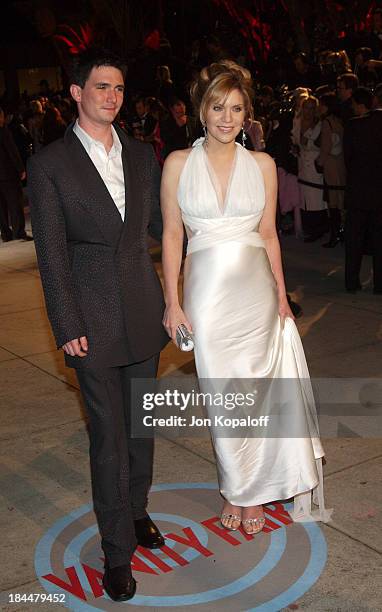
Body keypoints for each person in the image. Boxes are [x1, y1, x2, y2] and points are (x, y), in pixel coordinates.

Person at [161, 60, 331, 536]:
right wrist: (172, 302)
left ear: (246, 114)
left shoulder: (262, 165)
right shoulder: (177, 164)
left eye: (236, 108)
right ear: (202, 110)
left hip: (255, 292)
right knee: (223, 398)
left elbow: (269, 236)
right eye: (218, 106)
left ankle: (249, 493)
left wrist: (281, 296)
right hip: (206, 297)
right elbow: (173, 236)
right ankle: (236, 483)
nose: (226, 117)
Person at [27, 48, 169, 602]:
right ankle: (116, 554)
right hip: (90, 321)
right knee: (108, 439)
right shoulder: (49, 165)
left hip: (143, 313)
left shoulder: (140, 154)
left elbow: (163, 228)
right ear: (75, 93)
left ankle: (136, 513)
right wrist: (65, 321)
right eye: (101, 87)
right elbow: (52, 254)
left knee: (140, 427)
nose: (112, 97)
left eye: (118, 89)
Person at [343, 86, 382, 293]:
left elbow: (347, 158)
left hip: (358, 191)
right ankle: (380, 284)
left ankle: (351, 281)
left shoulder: (353, 126)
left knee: (354, 239)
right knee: (380, 240)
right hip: (379, 193)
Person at [294, 96, 328, 242]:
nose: (308, 111)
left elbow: (322, 145)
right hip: (302, 163)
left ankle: (318, 229)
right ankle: (308, 227)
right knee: (304, 198)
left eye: (312, 108)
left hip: (314, 165)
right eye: (306, 108)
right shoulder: (297, 122)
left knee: (316, 199)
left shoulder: (320, 125)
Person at [317, 92, 346, 248]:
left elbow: (325, 147)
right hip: (340, 165)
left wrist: (319, 163)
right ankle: (340, 232)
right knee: (339, 200)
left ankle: (335, 235)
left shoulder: (327, 122)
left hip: (330, 166)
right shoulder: (339, 121)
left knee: (333, 202)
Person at [0, 107, 32, 242]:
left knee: (0, 206)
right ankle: (18, 231)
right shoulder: (3, 131)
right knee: (15, 202)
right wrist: (20, 169)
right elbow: (12, 150)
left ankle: (6, 233)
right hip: (7, 173)